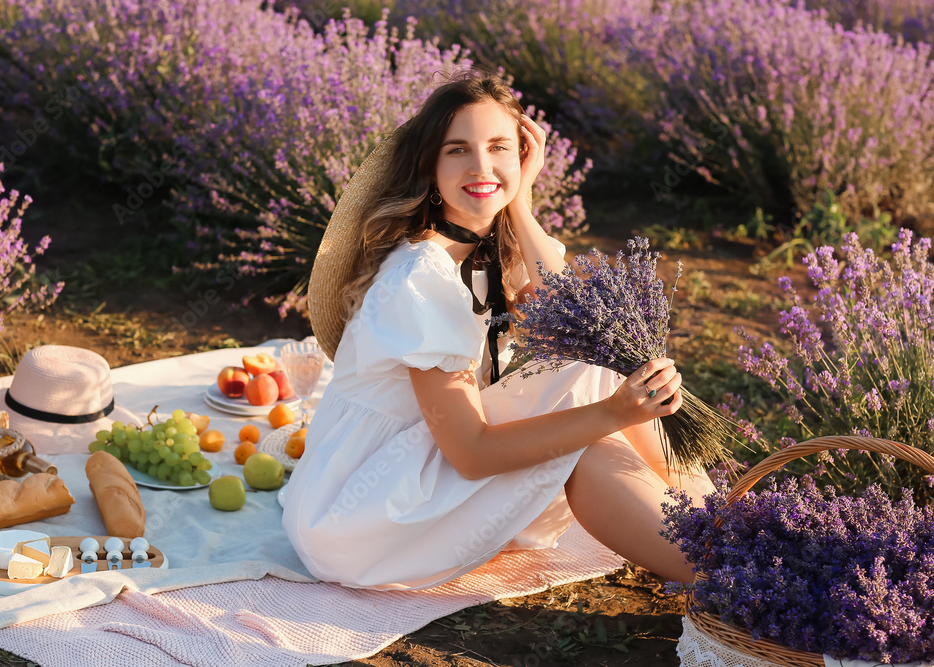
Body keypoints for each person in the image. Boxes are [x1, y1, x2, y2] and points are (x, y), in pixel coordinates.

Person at [282, 72, 714, 590]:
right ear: (429, 167)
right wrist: (614, 413)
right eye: (458, 150)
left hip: (423, 466)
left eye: (498, 148)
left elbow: (584, 314)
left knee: (599, 362)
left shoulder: (489, 253)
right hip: (365, 516)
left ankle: (729, 529)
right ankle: (731, 575)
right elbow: (471, 453)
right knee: (588, 431)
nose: (481, 166)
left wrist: (521, 201)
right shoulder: (421, 277)